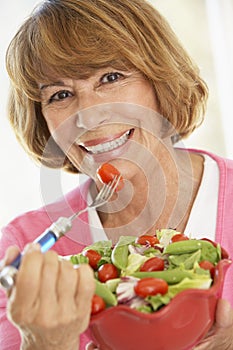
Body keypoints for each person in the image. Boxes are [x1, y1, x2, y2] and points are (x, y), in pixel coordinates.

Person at [0, 0, 233, 349]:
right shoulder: (21, 249)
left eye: (111, 77)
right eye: (61, 94)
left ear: (160, 80)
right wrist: (42, 344)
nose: (90, 116)